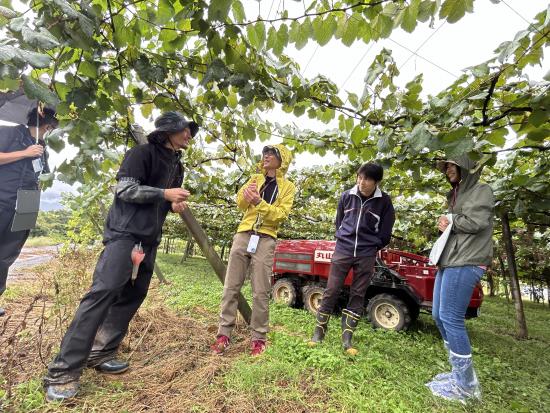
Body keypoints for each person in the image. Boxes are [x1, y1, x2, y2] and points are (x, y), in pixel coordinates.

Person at [43, 112, 198, 402]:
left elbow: (160, 200)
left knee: (133, 295)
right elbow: (125, 189)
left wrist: (171, 203)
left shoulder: (177, 166)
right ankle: (62, 371)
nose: (189, 134)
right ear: (168, 131)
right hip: (125, 236)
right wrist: (164, 194)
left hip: (149, 240)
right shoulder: (141, 154)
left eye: (190, 131)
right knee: (102, 294)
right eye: (185, 130)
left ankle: (101, 352)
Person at [211, 144, 295, 356]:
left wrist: (259, 203)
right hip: (243, 234)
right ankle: (223, 333)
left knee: (260, 290)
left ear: (281, 159)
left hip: (266, 238)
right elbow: (240, 203)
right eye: (265, 153)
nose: (266, 156)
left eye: (272, 153)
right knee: (231, 286)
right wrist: (246, 197)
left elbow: (280, 215)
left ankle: (258, 338)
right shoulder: (254, 179)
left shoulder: (288, 187)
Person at [425, 155, 494, 403]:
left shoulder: (480, 189)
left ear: (465, 167)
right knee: (438, 315)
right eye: (446, 166)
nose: (448, 169)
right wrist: (448, 224)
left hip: (467, 261)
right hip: (452, 259)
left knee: (452, 319)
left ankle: (465, 386)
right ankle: (459, 374)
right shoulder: (455, 195)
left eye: (453, 165)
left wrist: (450, 221)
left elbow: (477, 221)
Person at [308, 162, 395, 355]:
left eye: (367, 179)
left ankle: (347, 340)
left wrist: (371, 246)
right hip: (343, 250)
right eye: (360, 177)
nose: (362, 182)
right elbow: (339, 222)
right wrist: (343, 239)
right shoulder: (346, 196)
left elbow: (385, 233)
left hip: (366, 253)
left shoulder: (384, 202)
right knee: (331, 290)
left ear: (377, 182)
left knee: (358, 293)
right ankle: (318, 334)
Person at [0, 107, 57, 317]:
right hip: (3, 198)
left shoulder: (42, 148)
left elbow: (43, 175)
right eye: (50, 126)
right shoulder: (10, 133)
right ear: (47, 125)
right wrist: (24, 153)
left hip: (27, 204)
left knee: (8, 254)